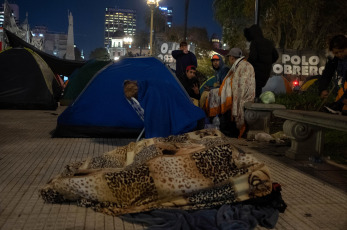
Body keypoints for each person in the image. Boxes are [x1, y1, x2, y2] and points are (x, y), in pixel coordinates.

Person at [123, 79, 205, 138]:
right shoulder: (149, 84)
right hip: (195, 116)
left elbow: (158, 129)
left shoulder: (151, 96)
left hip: (189, 124)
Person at [222, 48, 256, 137]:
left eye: (229, 57)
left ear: (232, 58)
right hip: (249, 98)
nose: (229, 60)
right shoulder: (247, 65)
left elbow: (238, 88)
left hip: (243, 100)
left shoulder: (240, 67)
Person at [244, 24, 279, 98]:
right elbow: (276, 56)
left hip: (256, 73)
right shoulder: (269, 42)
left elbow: (253, 58)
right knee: (258, 89)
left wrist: (246, 65)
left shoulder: (255, 42)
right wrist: (268, 62)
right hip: (265, 71)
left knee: (253, 92)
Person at [318, 34, 347, 115]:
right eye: (336, 53)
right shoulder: (334, 59)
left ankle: (339, 106)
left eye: (342, 51)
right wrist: (323, 89)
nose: (339, 54)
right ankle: (339, 107)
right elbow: (327, 74)